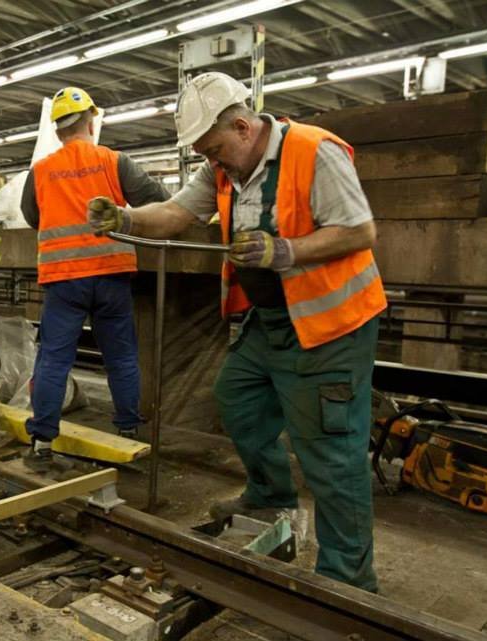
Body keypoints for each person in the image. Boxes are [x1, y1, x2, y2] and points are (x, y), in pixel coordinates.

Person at [88, 72, 387, 592]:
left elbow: (360, 230)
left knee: (330, 453)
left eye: (216, 149)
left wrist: (287, 251)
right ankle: (270, 495)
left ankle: (348, 581)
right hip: (269, 321)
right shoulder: (224, 171)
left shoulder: (314, 152)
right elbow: (176, 214)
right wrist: (125, 217)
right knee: (237, 399)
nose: (212, 162)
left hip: (330, 326)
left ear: (244, 127)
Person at [20, 86, 171, 470]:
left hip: (64, 279)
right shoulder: (114, 161)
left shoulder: (40, 171)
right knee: (120, 356)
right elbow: (157, 200)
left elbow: (32, 217)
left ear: (57, 131)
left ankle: (41, 442)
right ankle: (127, 433)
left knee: (54, 359)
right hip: (111, 274)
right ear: (91, 120)